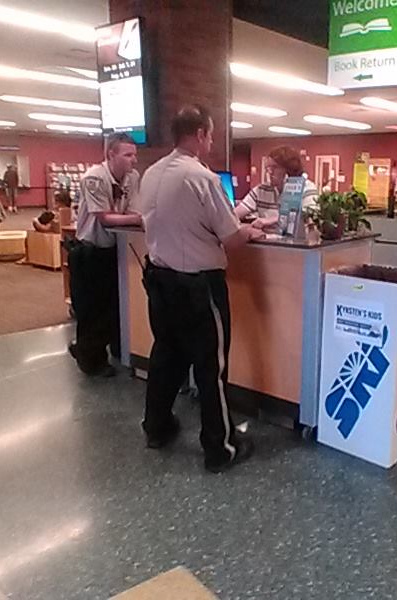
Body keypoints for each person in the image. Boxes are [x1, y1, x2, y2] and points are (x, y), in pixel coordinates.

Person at [139, 104, 264, 473]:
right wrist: (252, 231)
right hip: (197, 286)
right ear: (199, 135)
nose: (210, 142)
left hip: (159, 280)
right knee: (211, 367)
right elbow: (232, 238)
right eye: (209, 135)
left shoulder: (150, 173)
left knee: (165, 356)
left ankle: (156, 428)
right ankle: (219, 448)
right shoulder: (201, 177)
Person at [68, 132, 141, 377]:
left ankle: (103, 350)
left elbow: (131, 209)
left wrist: (136, 217)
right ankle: (90, 361)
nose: (133, 160)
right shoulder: (94, 178)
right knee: (90, 310)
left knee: (113, 307)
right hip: (89, 250)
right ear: (111, 154)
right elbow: (106, 217)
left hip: (114, 249)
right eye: (127, 154)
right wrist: (140, 219)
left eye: (135, 154)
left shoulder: (133, 178)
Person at [234, 145, 318, 233]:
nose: (270, 172)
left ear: (288, 169)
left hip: (296, 243)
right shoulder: (261, 190)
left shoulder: (307, 188)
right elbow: (235, 214)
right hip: (267, 243)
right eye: (268, 168)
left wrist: (271, 220)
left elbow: (311, 217)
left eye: (274, 167)